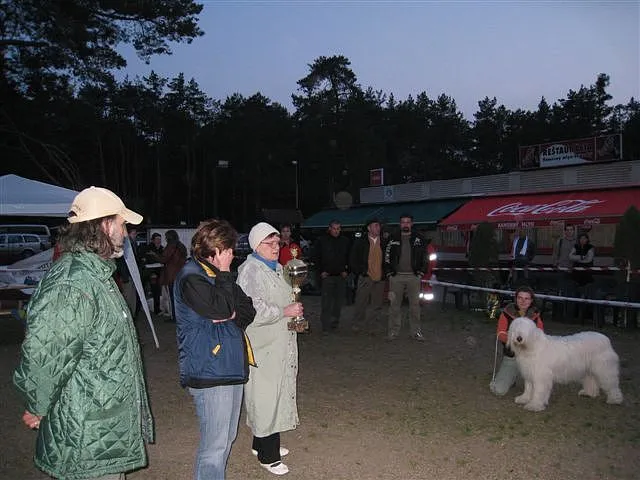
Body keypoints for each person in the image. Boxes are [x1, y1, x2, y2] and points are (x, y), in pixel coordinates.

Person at [13, 186, 154, 480]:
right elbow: (45, 354)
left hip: (101, 426)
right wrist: (38, 404)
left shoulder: (96, 274)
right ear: (105, 225)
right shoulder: (72, 283)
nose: (125, 233)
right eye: (122, 224)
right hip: (84, 433)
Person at [173, 219, 256, 480]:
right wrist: (224, 274)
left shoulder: (217, 275)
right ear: (216, 250)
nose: (233, 253)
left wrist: (230, 312)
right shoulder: (192, 277)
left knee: (227, 437)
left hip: (229, 365)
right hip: (209, 369)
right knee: (215, 446)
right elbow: (221, 308)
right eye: (229, 249)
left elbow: (247, 309)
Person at [236, 222, 303, 476]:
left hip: (279, 341)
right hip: (262, 344)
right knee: (264, 396)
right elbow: (252, 308)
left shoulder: (277, 268)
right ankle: (268, 455)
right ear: (256, 245)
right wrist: (284, 311)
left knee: (274, 393)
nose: (276, 247)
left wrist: (294, 308)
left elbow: (288, 294)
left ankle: (260, 444)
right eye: (270, 243)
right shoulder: (251, 271)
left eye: (277, 242)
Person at [489, 286, 544, 396]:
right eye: (520, 298)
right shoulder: (506, 313)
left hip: (530, 357)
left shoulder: (535, 315)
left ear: (531, 300)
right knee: (499, 390)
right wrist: (515, 341)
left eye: (526, 298)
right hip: (512, 356)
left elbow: (540, 336)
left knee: (539, 386)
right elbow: (500, 334)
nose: (523, 301)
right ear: (516, 299)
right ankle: (511, 377)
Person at [383, 214, 428, 341]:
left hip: (413, 277)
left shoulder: (419, 238)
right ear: (400, 224)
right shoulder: (392, 238)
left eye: (408, 222)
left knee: (415, 306)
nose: (405, 224)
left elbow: (425, 256)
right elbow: (386, 256)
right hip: (396, 277)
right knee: (394, 305)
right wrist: (389, 272)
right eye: (403, 222)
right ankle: (393, 332)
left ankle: (416, 332)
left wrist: (421, 272)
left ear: (412, 224)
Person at [313, 220, 350, 334]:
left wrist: (347, 270)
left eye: (338, 228)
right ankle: (325, 325)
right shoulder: (321, 241)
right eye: (334, 228)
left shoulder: (345, 241)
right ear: (329, 228)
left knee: (338, 302)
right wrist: (321, 272)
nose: (336, 231)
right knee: (326, 303)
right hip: (327, 276)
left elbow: (349, 256)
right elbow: (316, 257)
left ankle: (335, 322)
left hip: (340, 276)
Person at [349, 219, 385, 334]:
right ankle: (358, 324)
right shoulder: (361, 242)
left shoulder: (384, 241)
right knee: (361, 302)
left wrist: (386, 272)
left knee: (377, 304)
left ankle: (373, 326)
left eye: (379, 226)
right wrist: (360, 272)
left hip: (380, 277)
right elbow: (353, 258)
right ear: (369, 228)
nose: (378, 228)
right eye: (375, 226)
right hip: (366, 276)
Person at [157, 229, 188, 321]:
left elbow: (163, 259)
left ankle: (174, 317)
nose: (165, 238)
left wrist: (154, 255)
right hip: (181, 275)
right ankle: (182, 316)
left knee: (173, 298)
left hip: (171, 276)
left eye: (166, 237)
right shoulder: (181, 246)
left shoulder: (170, 246)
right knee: (180, 297)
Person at [144, 232, 164, 314]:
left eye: (159, 239)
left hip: (159, 272)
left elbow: (163, 259)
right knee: (152, 290)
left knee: (157, 292)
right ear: (153, 240)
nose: (158, 241)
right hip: (151, 272)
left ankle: (157, 309)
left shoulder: (162, 248)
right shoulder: (149, 248)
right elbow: (149, 260)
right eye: (157, 239)